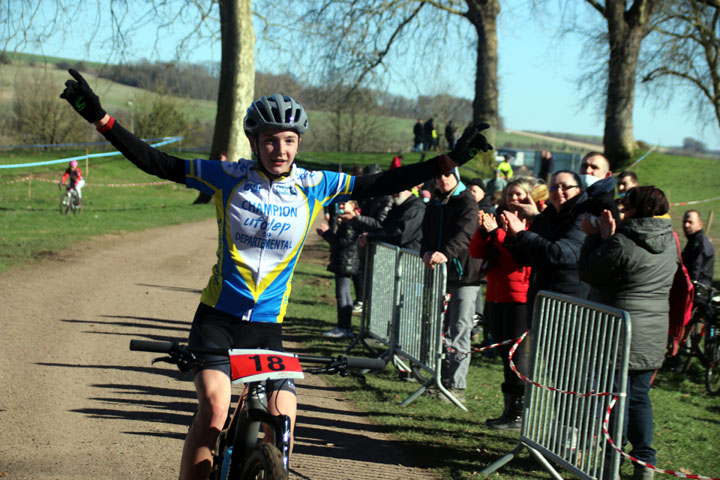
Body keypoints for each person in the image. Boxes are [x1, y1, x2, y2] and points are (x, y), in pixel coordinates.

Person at [60, 69, 492, 480]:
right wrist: (102, 119)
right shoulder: (227, 177)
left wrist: (448, 160)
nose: (280, 149)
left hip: (268, 328)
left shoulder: (314, 183)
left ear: (298, 142)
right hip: (217, 323)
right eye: (270, 140)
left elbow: (381, 182)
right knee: (214, 409)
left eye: (288, 140)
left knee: (284, 420)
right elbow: (160, 163)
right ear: (255, 141)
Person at [579, 186, 676, 480]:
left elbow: (589, 271)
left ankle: (613, 462)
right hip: (651, 330)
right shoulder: (669, 239)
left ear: (635, 210)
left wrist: (595, 237)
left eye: (625, 204)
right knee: (639, 397)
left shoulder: (622, 240)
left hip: (618, 331)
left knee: (616, 397)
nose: (621, 209)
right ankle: (645, 462)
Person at [469, 178, 533, 430]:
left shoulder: (532, 222)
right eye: (509, 194)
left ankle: (520, 412)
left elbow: (518, 253)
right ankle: (510, 410)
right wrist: (483, 232)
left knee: (518, 355)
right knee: (506, 356)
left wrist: (496, 232)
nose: (513, 199)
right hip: (496, 294)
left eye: (518, 194)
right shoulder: (497, 217)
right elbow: (476, 252)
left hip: (519, 296)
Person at [421, 167, 483, 403]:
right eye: (438, 175)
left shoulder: (467, 200)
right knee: (437, 327)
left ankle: (456, 385)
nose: (442, 179)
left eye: (447, 175)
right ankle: (440, 378)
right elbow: (426, 231)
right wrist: (426, 251)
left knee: (460, 328)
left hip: (465, 274)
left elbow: (465, 233)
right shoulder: (436, 202)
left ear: (457, 177)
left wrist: (445, 253)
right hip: (440, 272)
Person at [502, 170, 590, 310]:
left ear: (578, 190)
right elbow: (526, 259)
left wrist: (521, 233)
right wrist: (513, 237)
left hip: (567, 302)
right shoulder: (549, 216)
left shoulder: (583, 215)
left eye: (565, 187)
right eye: (554, 187)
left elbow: (560, 254)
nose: (559, 191)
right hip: (541, 297)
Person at [317, 200, 361, 339]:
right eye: (340, 204)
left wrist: (327, 233)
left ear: (353, 206)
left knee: (342, 294)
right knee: (344, 294)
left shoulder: (351, 222)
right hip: (344, 260)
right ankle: (343, 327)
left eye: (344, 204)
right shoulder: (346, 220)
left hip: (346, 261)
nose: (341, 207)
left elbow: (345, 242)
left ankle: (343, 328)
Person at [359, 187, 425, 251]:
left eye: (398, 190)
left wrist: (371, 236)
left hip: (410, 257)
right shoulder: (397, 206)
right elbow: (385, 227)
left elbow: (400, 235)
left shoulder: (416, 209)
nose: (394, 193)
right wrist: (369, 235)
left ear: (408, 190)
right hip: (395, 257)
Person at [578, 151, 620, 221]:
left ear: (607, 175)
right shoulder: (570, 195)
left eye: (594, 167)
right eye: (584, 166)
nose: (587, 171)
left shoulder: (606, 205)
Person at [682, 210, 715, 287]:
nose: (686, 225)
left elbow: (695, 270)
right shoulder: (693, 240)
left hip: (697, 291)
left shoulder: (699, 243)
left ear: (700, 224)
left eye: (690, 222)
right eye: (684, 222)